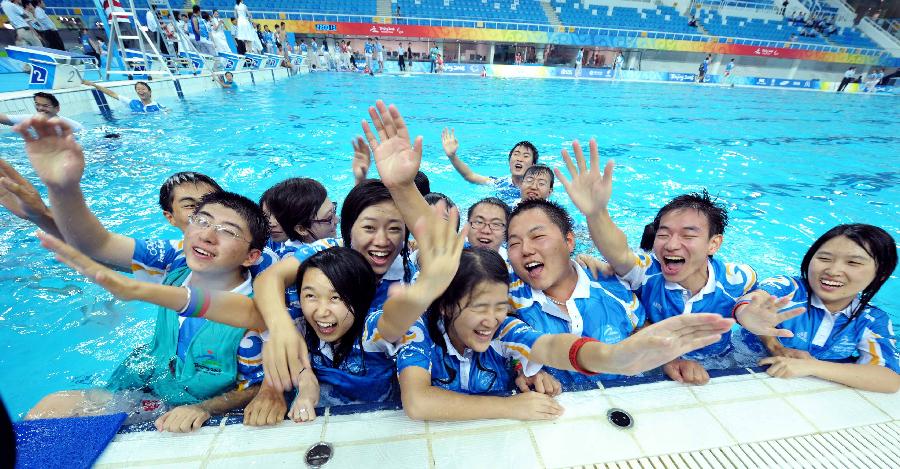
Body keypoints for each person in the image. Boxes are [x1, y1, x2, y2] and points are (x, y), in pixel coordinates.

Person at [15, 118, 269, 430]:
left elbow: (259, 386)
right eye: (200, 219)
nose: (206, 235)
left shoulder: (256, 306)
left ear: (251, 255)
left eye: (226, 231)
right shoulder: (174, 267)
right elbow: (97, 243)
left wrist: (203, 408)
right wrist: (63, 188)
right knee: (49, 407)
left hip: (188, 406)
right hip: (145, 382)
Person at [555, 140, 759, 385]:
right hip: (654, 367)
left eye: (688, 235)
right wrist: (596, 213)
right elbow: (618, 252)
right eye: (663, 234)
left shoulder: (735, 278)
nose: (671, 244)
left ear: (713, 244)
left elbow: (760, 302)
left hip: (722, 363)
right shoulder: (648, 273)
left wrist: (760, 322)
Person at [735, 224, 899, 393]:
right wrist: (749, 316)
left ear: (881, 275)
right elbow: (750, 303)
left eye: (853, 262)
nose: (833, 270)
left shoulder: (870, 320)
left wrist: (812, 366)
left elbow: (890, 380)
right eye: (824, 259)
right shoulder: (788, 289)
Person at [441, 127, 538, 205]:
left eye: (526, 156)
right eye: (516, 154)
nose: (519, 159)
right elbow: (470, 176)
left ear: (533, 165)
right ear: (509, 161)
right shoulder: (500, 183)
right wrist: (452, 156)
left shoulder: (536, 190)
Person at [1, 92, 83, 132]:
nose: (40, 108)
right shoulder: (29, 120)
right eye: (37, 104)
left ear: (57, 109)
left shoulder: (74, 127)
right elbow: (4, 119)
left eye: (45, 106)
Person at [81, 79, 165, 114]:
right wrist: (94, 85)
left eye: (143, 89)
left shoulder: (158, 106)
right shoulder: (132, 103)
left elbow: (167, 112)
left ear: (149, 92)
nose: (140, 91)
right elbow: (112, 94)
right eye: (138, 89)